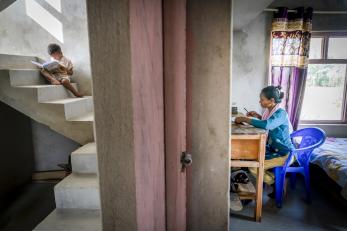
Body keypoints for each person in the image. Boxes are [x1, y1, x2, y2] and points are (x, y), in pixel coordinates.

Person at [235, 85, 294, 197]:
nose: (259, 101)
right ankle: (275, 181)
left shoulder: (281, 113)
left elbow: (268, 124)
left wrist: (246, 119)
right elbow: (267, 121)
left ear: (271, 100)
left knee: (253, 166)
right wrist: (257, 115)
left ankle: (276, 184)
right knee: (250, 155)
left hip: (285, 153)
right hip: (274, 148)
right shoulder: (270, 110)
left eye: (262, 99)